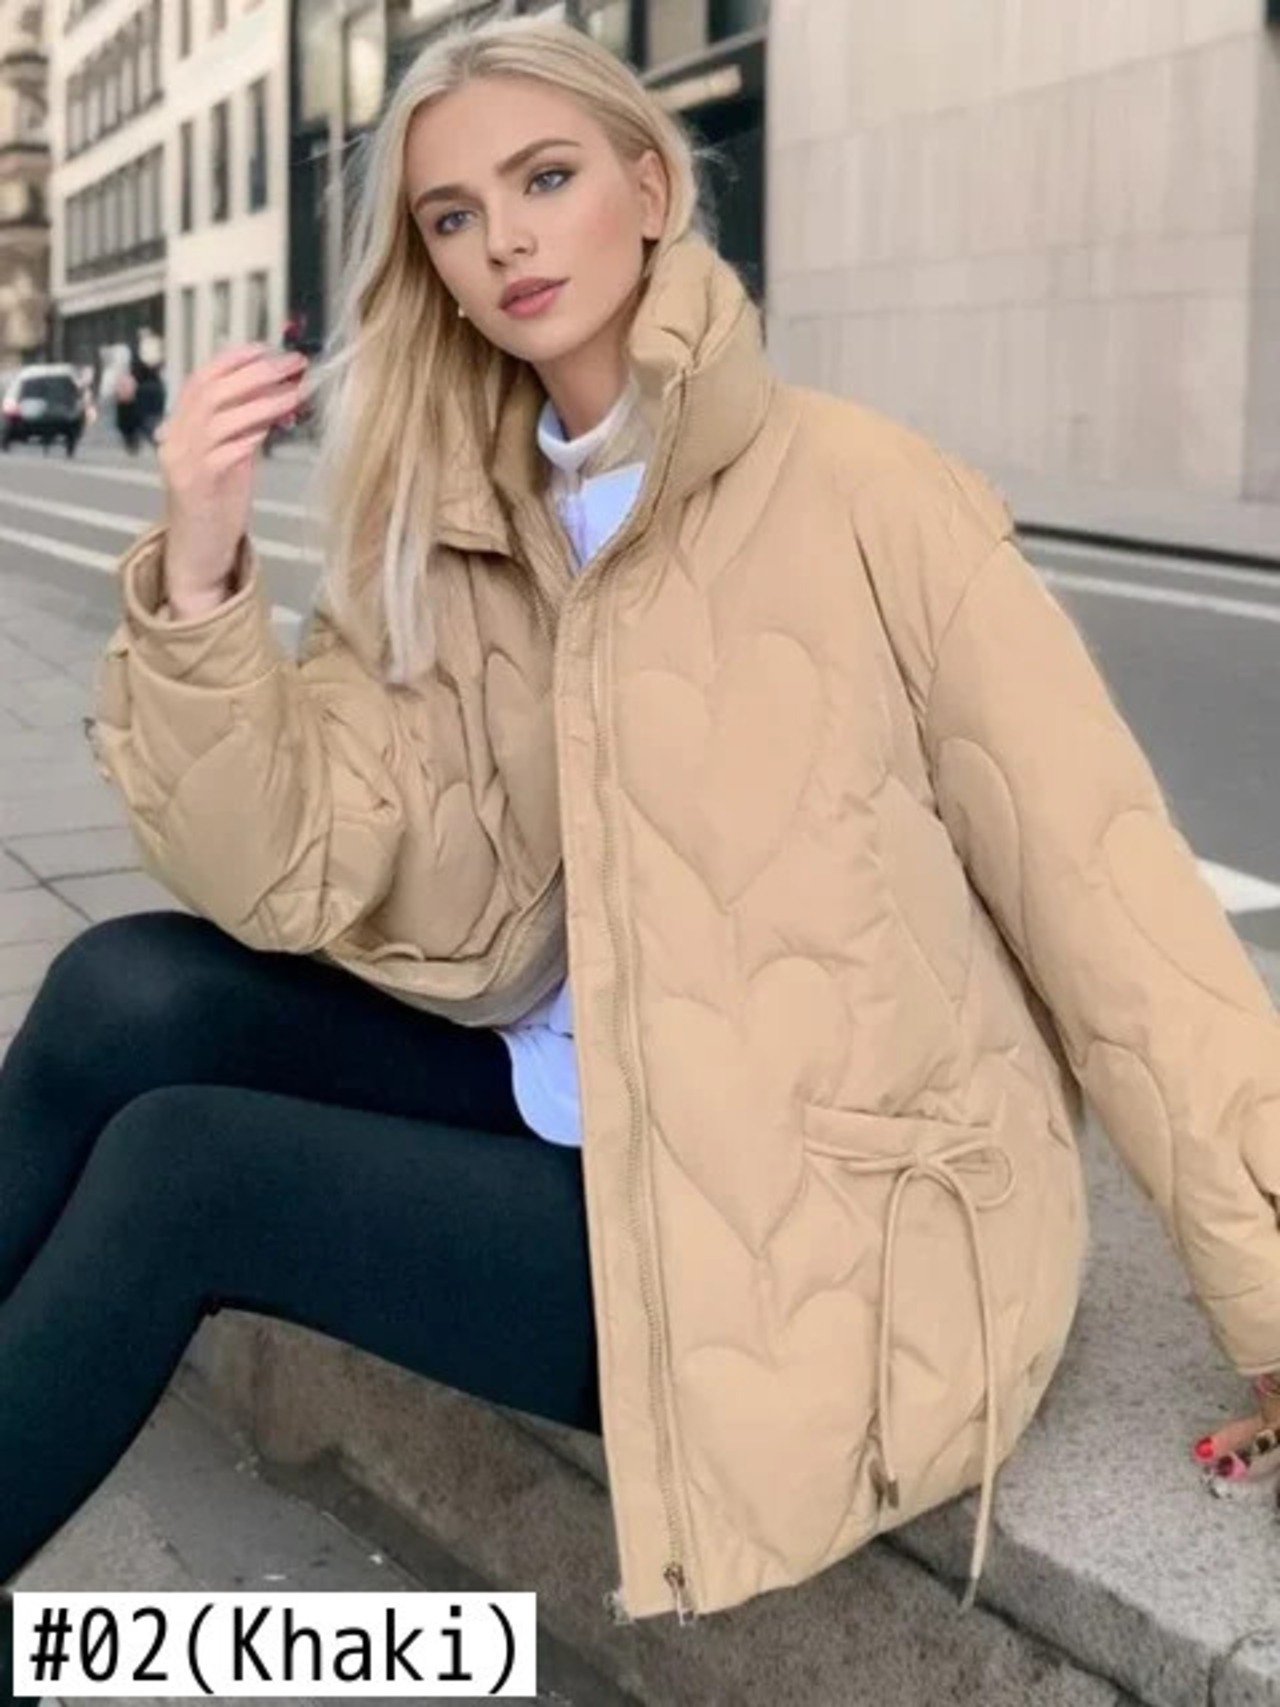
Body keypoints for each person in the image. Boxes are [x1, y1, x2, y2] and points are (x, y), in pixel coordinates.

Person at [0, 15, 1277, 1686]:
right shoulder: (449, 520)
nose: (506, 240)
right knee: (123, 989)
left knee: (187, 1170)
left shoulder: (869, 496)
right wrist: (201, 576)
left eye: (546, 178)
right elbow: (285, 871)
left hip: (805, 1215)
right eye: (453, 215)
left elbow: (1111, 901)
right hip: (571, 1094)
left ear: (652, 189)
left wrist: (1270, 1295)